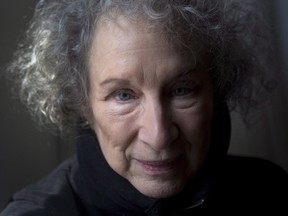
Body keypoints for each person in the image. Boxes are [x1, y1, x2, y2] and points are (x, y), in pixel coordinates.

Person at [1, 0, 288, 215]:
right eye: (123, 95)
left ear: (217, 87)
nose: (158, 135)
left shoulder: (269, 189)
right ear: (83, 105)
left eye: (182, 90)